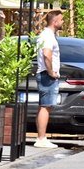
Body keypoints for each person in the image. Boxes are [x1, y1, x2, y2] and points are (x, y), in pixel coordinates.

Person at [34, 10, 63, 149]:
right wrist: (51, 72)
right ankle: (41, 138)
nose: (63, 22)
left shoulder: (47, 35)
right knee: (46, 106)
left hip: (45, 74)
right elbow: (47, 54)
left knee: (43, 106)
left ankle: (41, 137)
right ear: (55, 21)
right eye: (61, 20)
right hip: (47, 74)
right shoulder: (48, 36)